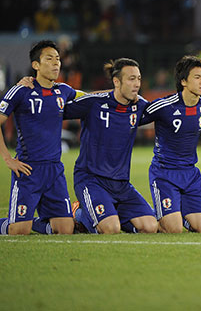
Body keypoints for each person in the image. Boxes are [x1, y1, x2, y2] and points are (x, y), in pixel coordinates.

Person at [65, 58, 158, 234]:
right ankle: (78, 211)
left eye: (138, 78)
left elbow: (167, 110)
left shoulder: (139, 106)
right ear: (116, 81)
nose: (137, 84)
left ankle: (108, 213)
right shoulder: (93, 103)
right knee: (110, 228)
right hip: (91, 180)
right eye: (131, 79)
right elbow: (55, 108)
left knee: (151, 227)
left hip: (121, 185)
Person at [141, 56, 201, 233]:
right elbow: (134, 118)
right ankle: (154, 213)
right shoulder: (165, 106)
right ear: (183, 81)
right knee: (173, 229)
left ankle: (200, 209)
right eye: (197, 77)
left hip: (190, 175)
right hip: (165, 174)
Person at [0, 40, 77, 235]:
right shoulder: (21, 91)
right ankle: (17, 222)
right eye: (49, 59)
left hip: (54, 170)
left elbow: (90, 98)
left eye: (58, 59)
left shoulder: (64, 91)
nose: (56, 63)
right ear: (36, 65)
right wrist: (8, 159)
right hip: (28, 170)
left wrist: (116, 94)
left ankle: (32, 221)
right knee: (19, 231)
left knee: (66, 229)